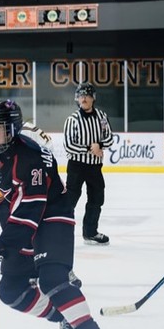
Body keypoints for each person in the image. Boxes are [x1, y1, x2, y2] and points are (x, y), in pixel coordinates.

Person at [0, 99, 116, 329]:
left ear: (11, 129)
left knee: (52, 278)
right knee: (10, 290)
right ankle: (65, 317)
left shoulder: (31, 156)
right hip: (18, 217)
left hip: (52, 215)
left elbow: (29, 214)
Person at [63, 82, 114, 245]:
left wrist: (99, 145)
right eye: (81, 96)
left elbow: (109, 138)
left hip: (95, 167)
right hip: (76, 166)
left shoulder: (102, 116)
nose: (84, 98)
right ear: (77, 99)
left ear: (93, 98)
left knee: (97, 198)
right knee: (70, 200)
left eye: (87, 95)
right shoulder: (72, 120)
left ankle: (90, 232)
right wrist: (91, 148)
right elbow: (69, 145)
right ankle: (59, 231)